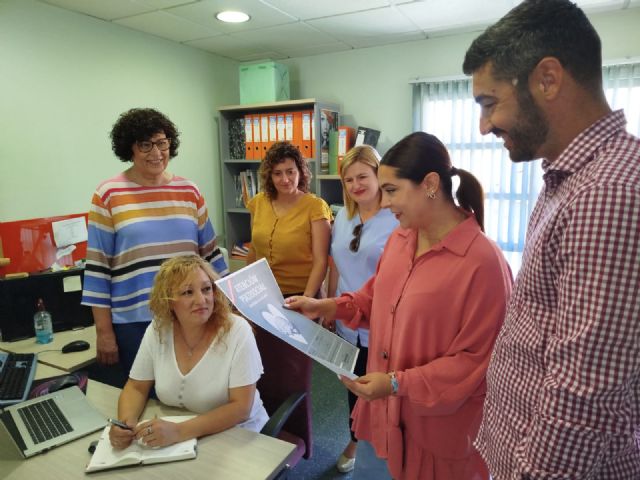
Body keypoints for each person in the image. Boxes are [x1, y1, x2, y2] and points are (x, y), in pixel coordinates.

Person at [462, 1, 640, 478]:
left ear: (548, 79)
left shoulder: (608, 192)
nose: (484, 126)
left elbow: (583, 398)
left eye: (489, 103)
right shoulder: (569, 178)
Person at [286, 132, 512, 479]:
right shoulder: (402, 238)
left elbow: (476, 361)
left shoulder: (483, 262)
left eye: (392, 190)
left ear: (430, 184)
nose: (385, 201)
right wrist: (326, 306)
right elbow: (375, 299)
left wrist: (396, 383)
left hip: (435, 433)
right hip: (382, 420)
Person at [81, 108, 228, 377]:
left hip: (190, 315)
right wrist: (104, 332)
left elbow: (211, 257)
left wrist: (229, 308)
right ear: (130, 148)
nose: (157, 153)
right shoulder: (108, 194)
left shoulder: (189, 191)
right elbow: (98, 270)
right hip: (134, 322)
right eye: (145, 145)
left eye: (162, 143)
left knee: (188, 392)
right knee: (142, 392)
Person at [109, 255, 268, 449]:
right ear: (168, 301)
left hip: (240, 434)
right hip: (183, 434)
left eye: (206, 289)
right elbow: (136, 387)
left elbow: (241, 408)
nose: (201, 300)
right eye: (187, 292)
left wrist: (179, 432)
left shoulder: (237, 330)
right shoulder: (159, 329)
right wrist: (125, 424)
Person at [327, 145, 398, 473]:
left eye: (363, 177)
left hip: (380, 323)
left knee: (380, 389)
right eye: (349, 179)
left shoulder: (396, 217)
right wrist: (330, 305)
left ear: (378, 175)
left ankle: (383, 447)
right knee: (353, 386)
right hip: (345, 319)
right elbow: (335, 263)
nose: (356, 185)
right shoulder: (343, 216)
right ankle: (355, 439)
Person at [247, 141, 331, 297]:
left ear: (300, 172)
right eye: (277, 173)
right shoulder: (258, 202)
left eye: (290, 172)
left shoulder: (315, 207)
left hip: (302, 293)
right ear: (270, 176)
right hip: (264, 293)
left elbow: (321, 262)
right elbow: (254, 250)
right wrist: (249, 290)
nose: (285, 179)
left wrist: (306, 299)